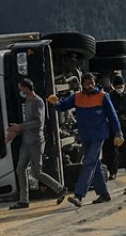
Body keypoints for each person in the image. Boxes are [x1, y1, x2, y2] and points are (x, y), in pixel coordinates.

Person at [51, 73, 122, 207]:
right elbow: (63, 106)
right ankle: (104, 194)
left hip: (99, 135)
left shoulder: (102, 96)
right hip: (85, 136)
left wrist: (118, 133)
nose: (90, 86)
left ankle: (79, 195)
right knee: (94, 164)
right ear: (82, 84)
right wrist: (55, 103)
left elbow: (112, 115)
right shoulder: (77, 97)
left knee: (88, 162)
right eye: (87, 83)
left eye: (92, 83)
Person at [4, 78, 67, 210]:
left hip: (36, 142)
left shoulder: (38, 102)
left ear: (26, 88)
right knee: (20, 169)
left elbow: (38, 122)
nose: (20, 91)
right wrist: (16, 132)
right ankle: (23, 200)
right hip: (26, 142)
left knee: (36, 172)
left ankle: (60, 189)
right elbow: (27, 124)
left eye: (21, 88)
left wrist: (19, 127)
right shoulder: (27, 102)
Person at [105, 74, 126, 178]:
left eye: (121, 86)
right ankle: (113, 171)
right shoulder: (110, 96)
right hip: (114, 127)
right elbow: (106, 109)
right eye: (117, 87)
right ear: (114, 87)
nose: (119, 89)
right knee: (113, 149)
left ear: (124, 85)